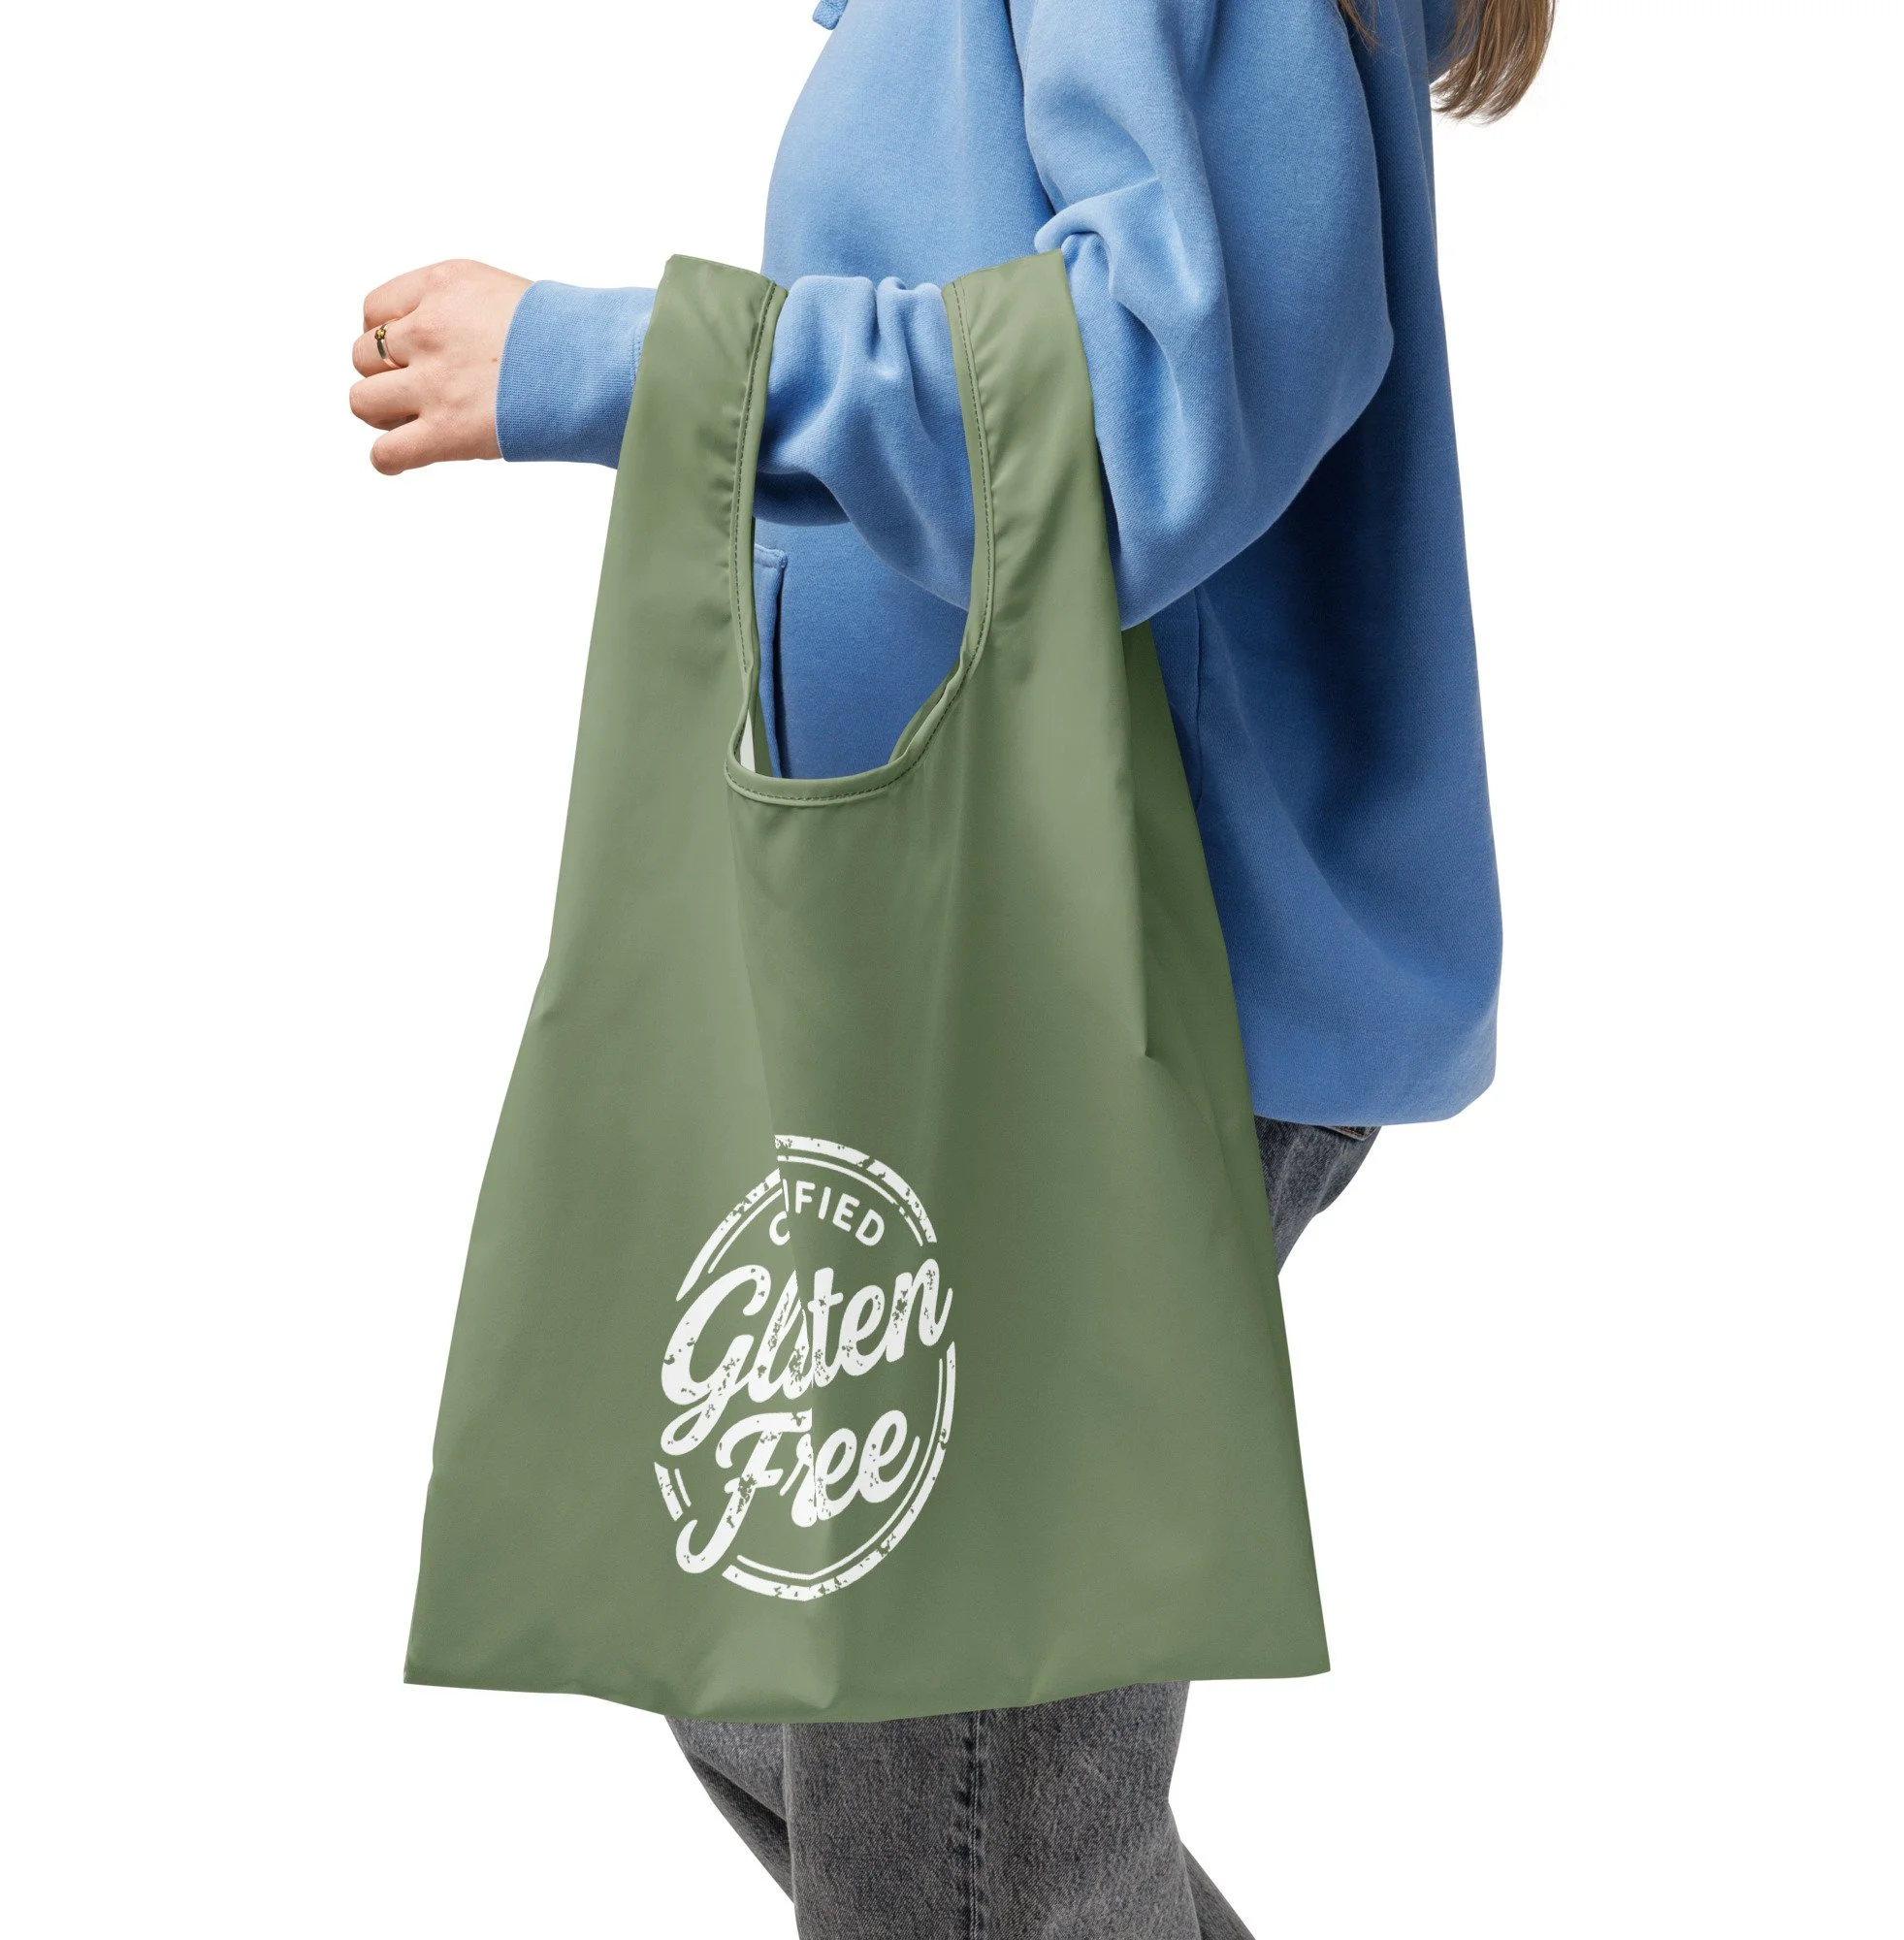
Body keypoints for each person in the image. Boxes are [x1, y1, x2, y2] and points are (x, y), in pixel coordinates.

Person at [348, 0, 1550, 1931]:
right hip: (949, 968)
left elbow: (1143, 411)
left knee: (951, 1837)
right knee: (805, 1707)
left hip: (1105, 995)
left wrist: (621, 359)